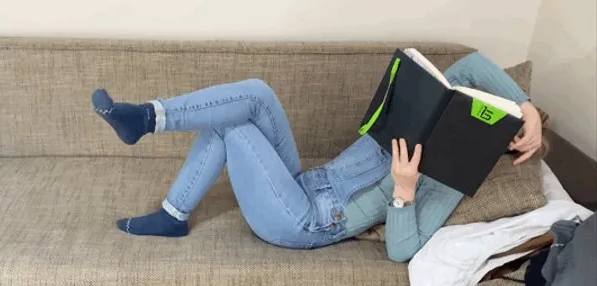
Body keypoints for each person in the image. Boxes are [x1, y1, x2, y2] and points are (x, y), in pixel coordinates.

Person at [91, 52, 543, 262]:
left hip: (305, 219)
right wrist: (527, 110)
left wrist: (404, 192)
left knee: (233, 125)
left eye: (502, 127)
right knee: (256, 94)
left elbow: (402, 250)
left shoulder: (448, 178)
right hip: (304, 184)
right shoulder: (428, 115)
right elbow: (473, 66)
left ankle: (170, 204)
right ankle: (149, 117)